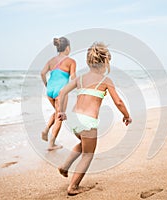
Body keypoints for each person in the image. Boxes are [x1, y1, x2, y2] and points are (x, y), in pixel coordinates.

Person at [57, 42, 132, 196]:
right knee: (88, 155)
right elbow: (118, 101)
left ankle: (65, 166)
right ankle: (73, 187)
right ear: (105, 62)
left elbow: (63, 92)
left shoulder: (80, 78)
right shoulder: (105, 81)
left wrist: (62, 111)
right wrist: (126, 115)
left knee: (83, 143)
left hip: (74, 119)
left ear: (88, 61)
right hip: (88, 122)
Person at [41, 37, 76, 151]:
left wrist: (47, 85)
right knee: (60, 117)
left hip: (50, 91)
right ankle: (51, 144)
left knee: (57, 113)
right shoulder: (71, 61)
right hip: (61, 92)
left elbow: (42, 73)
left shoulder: (51, 61)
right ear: (67, 48)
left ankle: (46, 130)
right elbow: (73, 77)